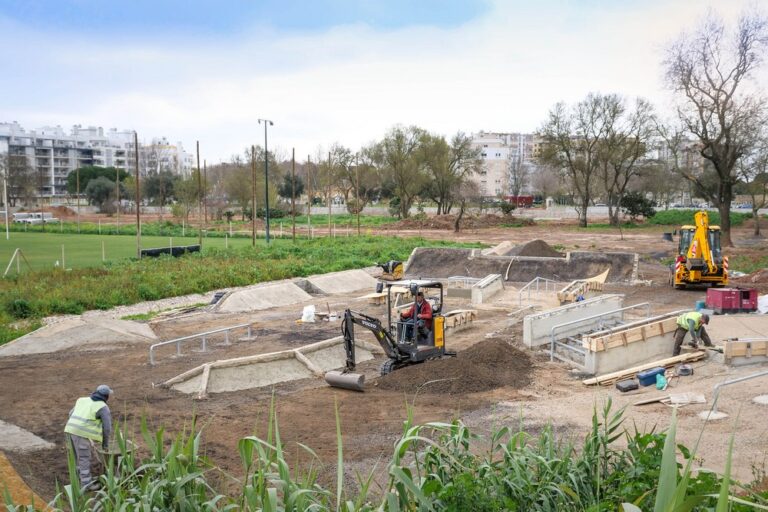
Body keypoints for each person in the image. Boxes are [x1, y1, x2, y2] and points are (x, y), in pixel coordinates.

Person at [64, 384, 113, 489]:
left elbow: (70, 413)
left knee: (76, 455)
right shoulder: (103, 407)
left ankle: (79, 475)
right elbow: (107, 428)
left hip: (69, 429)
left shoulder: (82, 400)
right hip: (80, 433)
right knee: (84, 458)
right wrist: (105, 444)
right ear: (106, 396)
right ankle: (86, 485)